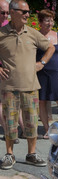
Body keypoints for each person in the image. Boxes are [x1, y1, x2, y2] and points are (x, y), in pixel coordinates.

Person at [0, 0, 55, 170]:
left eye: (28, 12)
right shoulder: (1, 33)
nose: (27, 15)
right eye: (23, 12)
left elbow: (51, 47)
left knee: (31, 123)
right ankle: (9, 155)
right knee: (10, 123)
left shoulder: (32, 33)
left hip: (31, 86)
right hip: (9, 87)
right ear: (12, 12)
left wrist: (42, 63)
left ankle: (31, 154)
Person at [36, 9, 58, 139]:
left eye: (51, 20)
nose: (50, 23)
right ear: (40, 22)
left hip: (56, 72)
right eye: (47, 21)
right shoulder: (35, 35)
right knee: (42, 101)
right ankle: (47, 129)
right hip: (41, 72)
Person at [0, 0, 23, 145]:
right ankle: (9, 132)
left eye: (8, 13)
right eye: (2, 13)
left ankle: (22, 130)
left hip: (10, 70)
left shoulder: (7, 27)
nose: (6, 16)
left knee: (15, 100)